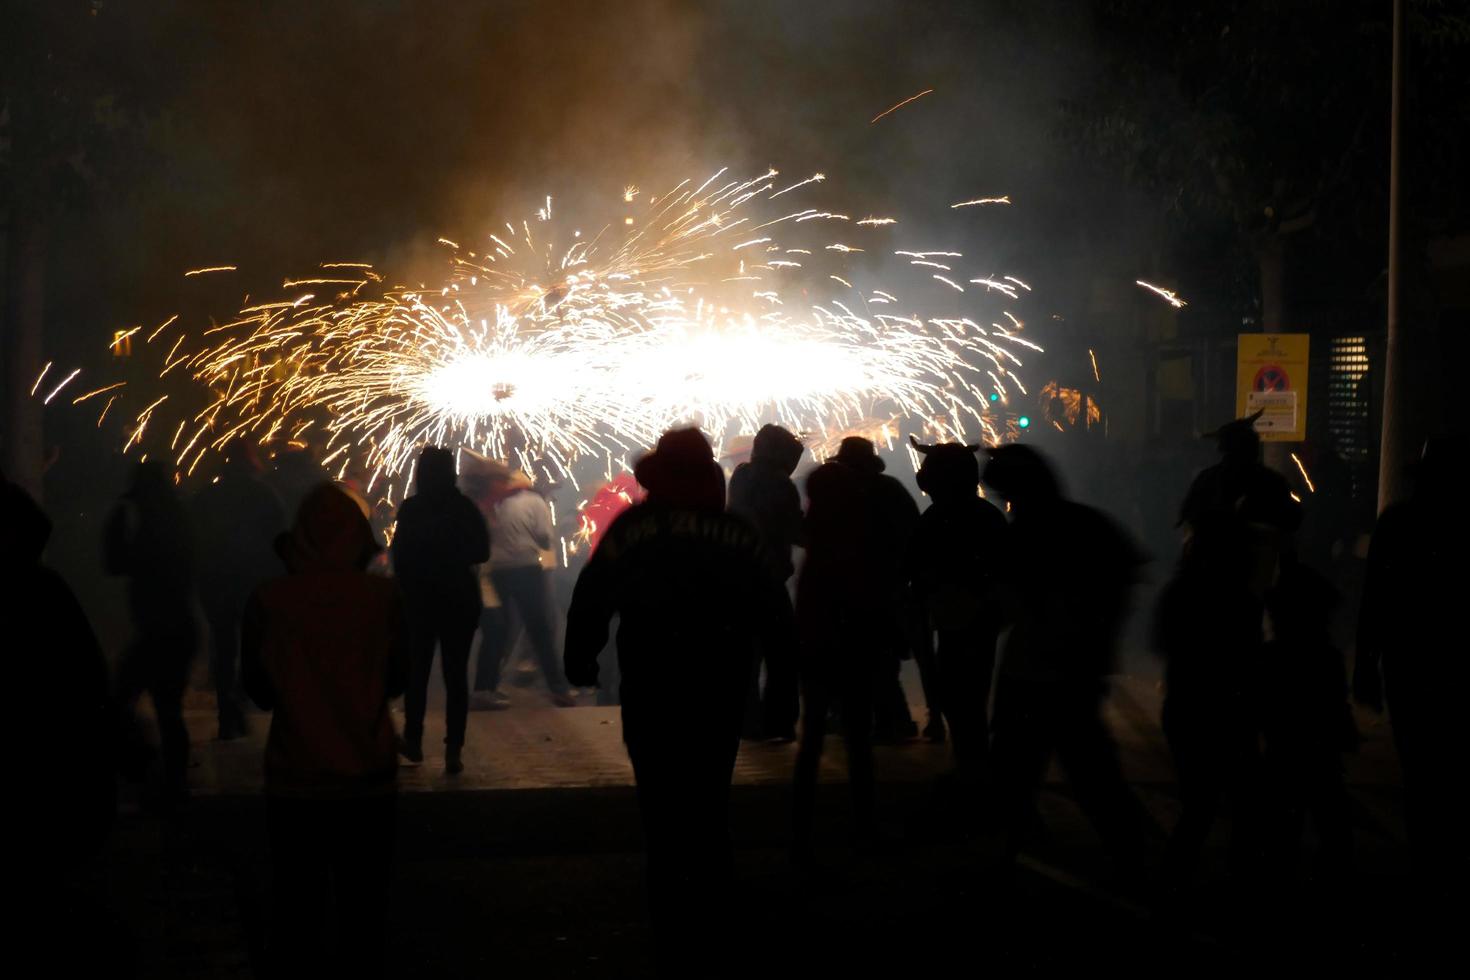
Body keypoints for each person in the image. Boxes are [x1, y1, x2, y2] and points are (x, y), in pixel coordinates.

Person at [564, 428, 796, 971]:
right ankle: (713, 913)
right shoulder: (735, 530)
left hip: (653, 684)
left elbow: (593, 595)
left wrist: (582, 656)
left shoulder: (634, 527)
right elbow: (775, 613)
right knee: (709, 801)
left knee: (661, 805)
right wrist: (783, 688)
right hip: (719, 683)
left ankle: (670, 919)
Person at [242, 482, 407, 979]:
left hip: (296, 773)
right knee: (365, 908)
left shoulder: (269, 599)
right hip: (369, 772)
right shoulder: (384, 598)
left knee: (297, 906)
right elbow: (398, 680)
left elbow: (260, 692)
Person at [983, 445, 1151, 874]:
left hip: (1031, 674)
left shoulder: (1021, 534)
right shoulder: (1088, 524)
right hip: (1076, 671)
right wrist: (1098, 636)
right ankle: (1138, 857)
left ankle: (1007, 861)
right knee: (1092, 774)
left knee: (1019, 773)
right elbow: (1127, 579)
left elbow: (1002, 608)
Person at [1157, 414, 1300, 890]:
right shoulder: (1241, 485)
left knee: (1212, 793)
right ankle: (1235, 869)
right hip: (1232, 648)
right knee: (1233, 786)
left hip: (1222, 654)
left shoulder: (1224, 486)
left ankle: (1193, 870)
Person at [793, 436, 919, 861]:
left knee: (812, 738)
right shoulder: (858, 538)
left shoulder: (815, 540)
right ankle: (864, 823)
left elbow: (808, 604)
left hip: (817, 650)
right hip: (855, 648)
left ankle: (802, 827)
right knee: (859, 740)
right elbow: (872, 596)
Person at [1356, 435, 1470, 881]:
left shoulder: (1397, 524)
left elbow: (1374, 600)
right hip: (1446, 664)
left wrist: (1366, 664)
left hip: (1408, 664)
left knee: (1420, 768)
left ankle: (1427, 857)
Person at [908, 436, 1009, 768]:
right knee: (966, 693)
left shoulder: (938, 518)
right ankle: (973, 762)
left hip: (964, 617)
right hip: (971, 618)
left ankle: (972, 765)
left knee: (960, 693)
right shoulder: (986, 516)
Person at [104, 459, 198, 809]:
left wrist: (117, 526)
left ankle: (155, 774)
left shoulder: (151, 524)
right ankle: (172, 782)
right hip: (179, 627)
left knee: (122, 699)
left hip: (159, 630)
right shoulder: (181, 518)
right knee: (167, 708)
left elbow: (114, 564)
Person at [391, 446, 490, 774]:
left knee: (416, 672)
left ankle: (414, 740)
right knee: (456, 674)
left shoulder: (411, 508)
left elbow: (400, 555)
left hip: (419, 600)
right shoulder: (464, 508)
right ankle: (453, 750)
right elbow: (482, 551)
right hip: (459, 598)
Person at [191, 440, 287, 739]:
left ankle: (227, 712)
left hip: (218, 582)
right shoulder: (264, 495)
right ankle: (239, 706)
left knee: (223, 647)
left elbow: (194, 541)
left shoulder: (208, 496)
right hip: (251, 583)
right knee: (251, 646)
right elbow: (279, 540)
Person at [728, 423, 804, 741]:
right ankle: (780, 722)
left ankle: (747, 722)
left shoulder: (741, 477)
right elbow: (794, 528)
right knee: (782, 654)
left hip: (738, 578)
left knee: (746, 655)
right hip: (768, 580)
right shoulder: (779, 483)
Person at [482, 464, 576, 707]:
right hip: (526, 568)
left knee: (499, 630)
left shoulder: (493, 503)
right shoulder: (535, 502)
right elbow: (545, 537)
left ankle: (485, 687)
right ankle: (558, 689)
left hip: (497, 571)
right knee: (540, 629)